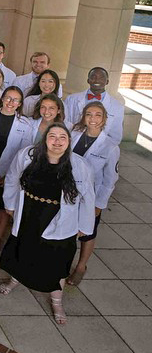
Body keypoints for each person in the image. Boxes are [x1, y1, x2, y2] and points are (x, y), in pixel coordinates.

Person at [0, 122, 95, 325]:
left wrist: (83, 227)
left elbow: (88, 199)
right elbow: (12, 179)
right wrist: (10, 204)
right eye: (53, 136)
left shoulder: (80, 166)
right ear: (45, 139)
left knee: (56, 264)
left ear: (69, 142)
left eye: (63, 137)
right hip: (30, 215)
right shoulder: (28, 155)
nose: (57, 141)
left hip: (61, 221)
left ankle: (57, 301)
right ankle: (15, 279)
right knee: (22, 252)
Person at [67, 102, 119, 286]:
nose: (93, 119)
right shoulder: (74, 135)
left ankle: (81, 266)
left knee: (88, 232)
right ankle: (63, 264)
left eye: (98, 115)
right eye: (89, 114)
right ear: (84, 117)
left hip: (91, 197)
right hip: (69, 191)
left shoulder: (110, 146)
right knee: (69, 228)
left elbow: (110, 180)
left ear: (104, 119)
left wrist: (99, 204)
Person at [0, 86, 32, 260]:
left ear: (20, 104)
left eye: (15, 100)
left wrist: (5, 174)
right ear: (2, 98)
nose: (11, 102)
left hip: (10, 174)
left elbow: (22, 153)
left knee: (3, 208)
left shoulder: (25, 124)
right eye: (8, 98)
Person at [64, 67, 124, 146]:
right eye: (93, 77)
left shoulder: (117, 106)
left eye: (101, 78)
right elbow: (65, 122)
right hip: (73, 142)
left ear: (107, 81)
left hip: (100, 146)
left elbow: (116, 135)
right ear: (88, 80)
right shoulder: (72, 99)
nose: (97, 80)